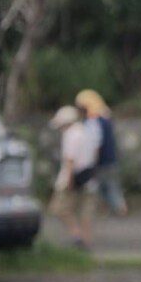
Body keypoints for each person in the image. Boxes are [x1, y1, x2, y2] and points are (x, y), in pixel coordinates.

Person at [47, 105, 99, 250]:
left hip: (71, 178)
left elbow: (70, 160)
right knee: (85, 211)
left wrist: (68, 181)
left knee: (58, 208)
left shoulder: (71, 135)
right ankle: (86, 240)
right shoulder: (86, 132)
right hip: (88, 177)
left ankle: (77, 236)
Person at [76, 89, 127, 217]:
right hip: (111, 159)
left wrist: (92, 161)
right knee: (111, 186)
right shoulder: (106, 118)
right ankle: (117, 209)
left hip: (101, 161)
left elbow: (95, 144)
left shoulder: (93, 122)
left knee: (105, 187)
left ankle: (118, 210)